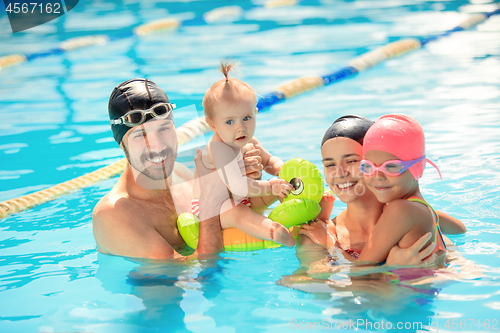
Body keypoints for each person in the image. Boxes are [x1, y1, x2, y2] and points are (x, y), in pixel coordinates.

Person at [92, 79, 259, 259]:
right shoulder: (113, 215)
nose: (156, 146)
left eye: (163, 129)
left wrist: (245, 184)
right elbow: (189, 277)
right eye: (140, 136)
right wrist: (211, 201)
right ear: (121, 144)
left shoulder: (181, 174)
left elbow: (234, 224)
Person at [299, 115, 466, 267]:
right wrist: (333, 248)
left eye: (352, 161)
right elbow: (322, 292)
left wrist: (455, 257)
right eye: (329, 165)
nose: (340, 173)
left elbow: (458, 230)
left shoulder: (405, 213)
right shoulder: (317, 236)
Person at [195, 61, 296, 247]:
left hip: (246, 199)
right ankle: (271, 231)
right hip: (215, 209)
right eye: (230, 122)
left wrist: (283, 169)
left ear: (255, 113)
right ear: (213, 125)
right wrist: (271, 186)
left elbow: (269, 161)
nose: (240, 128)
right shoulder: (219, 148)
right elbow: (238, 186)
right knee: (235, 211)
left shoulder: (250, 141)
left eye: (246, 118)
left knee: (284, 187)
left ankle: (298, 215)